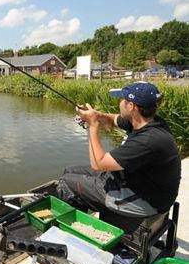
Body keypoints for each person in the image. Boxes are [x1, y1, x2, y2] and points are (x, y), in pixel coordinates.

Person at [56, 82, 181, 218]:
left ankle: (76, 227)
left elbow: (99, 164)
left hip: (145, 201)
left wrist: (93, 125)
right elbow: (113, 119)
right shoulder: (146, 120)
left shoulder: (148, 140)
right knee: (69, 171)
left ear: (131, 106)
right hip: (134, 182)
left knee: (66, 182)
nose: (119, 101)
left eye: (122, 99)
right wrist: (97, 115)